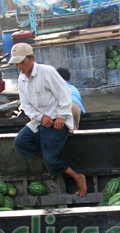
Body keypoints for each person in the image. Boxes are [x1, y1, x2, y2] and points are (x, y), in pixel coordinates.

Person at [10, 43, 87, 197]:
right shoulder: (21, 79)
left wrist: (61, 116)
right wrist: (41, 117)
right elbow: (26, 105)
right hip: (39, 121)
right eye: (16, 64)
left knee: (51, 159)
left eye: (22, 62)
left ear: (32, 58)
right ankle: (51, 162)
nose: (19, 67)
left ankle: (78, 177)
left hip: (57, 120)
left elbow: (64, 94)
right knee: (21, 142)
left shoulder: (47, 72)